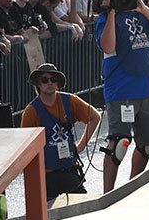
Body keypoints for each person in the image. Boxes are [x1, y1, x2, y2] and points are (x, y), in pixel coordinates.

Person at [96, 0, 149, 192]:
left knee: (147, 143)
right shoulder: (105, 18)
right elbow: (108, 47)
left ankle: (133, 186)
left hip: (146, 87)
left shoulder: (143, 14)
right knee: (119, 142)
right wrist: (110, 11)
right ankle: (107, 193)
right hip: (121, 89)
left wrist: (141, 7)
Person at [20, 63, 100, 200]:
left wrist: (81, 146)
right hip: (46, 173)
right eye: (44, 80)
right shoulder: (31, 111)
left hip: (69, 168)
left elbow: (95, 117)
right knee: (47, 215)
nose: (49, 83)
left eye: (53, 79)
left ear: (58, 83)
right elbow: (25, 146)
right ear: (38, 84)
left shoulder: (70, 100)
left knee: (82, 208)